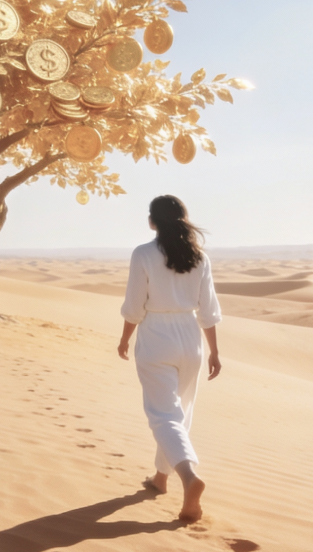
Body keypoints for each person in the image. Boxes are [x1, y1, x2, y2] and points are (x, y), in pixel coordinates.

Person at [117, 195, 221, 523]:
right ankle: (161, 478)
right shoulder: (199, 257)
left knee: (163, 416)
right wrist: (214, 351)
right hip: (191, 339)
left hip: (156, 337)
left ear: (152, 221)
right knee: (180, 414)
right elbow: (209, 310)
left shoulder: (144, 254)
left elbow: (135, 304)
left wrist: (124, 337)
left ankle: (189, 478)